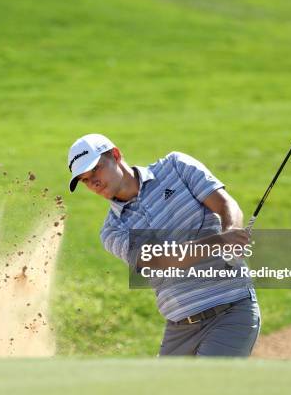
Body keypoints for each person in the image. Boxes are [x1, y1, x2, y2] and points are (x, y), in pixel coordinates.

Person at [67, 133, 261, 356]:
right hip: (180, 326)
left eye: (96, 169)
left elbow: (225, 204)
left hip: (231, 309)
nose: (93, 182)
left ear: (116, 155)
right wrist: (219, 241)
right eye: (85, 179)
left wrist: (231, 230)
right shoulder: (113, 230)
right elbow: (160, 260)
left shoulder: (176, 166)